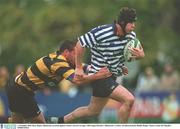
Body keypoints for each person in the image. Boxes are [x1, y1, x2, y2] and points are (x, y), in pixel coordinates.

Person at [53, 7, 145, 123]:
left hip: (112, 77)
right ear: (122, 23)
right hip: (100, 77)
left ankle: (59, 121)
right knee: (129, 99)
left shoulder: (131, 36)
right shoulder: (102, 32)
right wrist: (79, 67)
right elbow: (80, 44)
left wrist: (139, 56)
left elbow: (126, 54)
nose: (133, 26)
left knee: (92, 111)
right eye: (131, 22)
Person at [6, 40, 112, 123]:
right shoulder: (58, 63)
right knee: (40, 122)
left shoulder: (68, 62)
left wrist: (109, 69)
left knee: (16, 122)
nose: (78, 58)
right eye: (76, 54)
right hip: (20, 90)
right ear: (66, 52)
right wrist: (98, 76)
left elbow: (86, 67)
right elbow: (76, 80)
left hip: (18, 87)